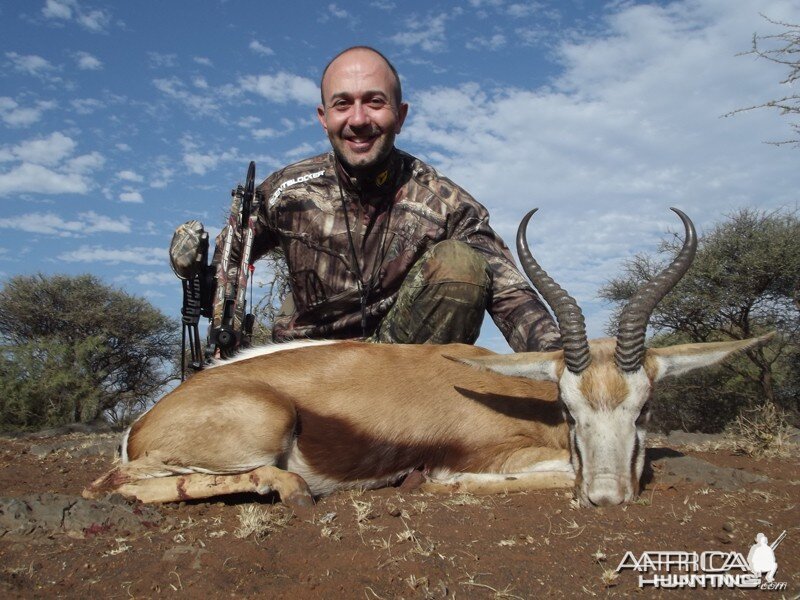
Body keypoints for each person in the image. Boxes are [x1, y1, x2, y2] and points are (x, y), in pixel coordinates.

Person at [213, 46, 560, 352]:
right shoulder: (285, 191)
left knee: (460, 262)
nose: (359, 119)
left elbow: (512, 296)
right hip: (305, 363)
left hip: (395, 373)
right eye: (343, 104)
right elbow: (225, 260)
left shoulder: (446, 203)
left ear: (401, 115)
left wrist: (560, 357)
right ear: (324, 118)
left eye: (375, 102)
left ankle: (424, 419)